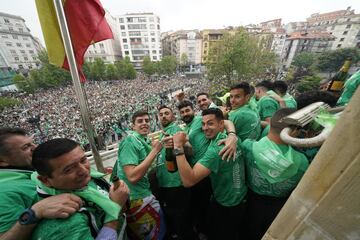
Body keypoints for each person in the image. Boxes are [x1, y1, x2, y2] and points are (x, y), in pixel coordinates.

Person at [30, 138, 129, 240]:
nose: (83, 170)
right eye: (68, 169)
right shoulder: (63, 222)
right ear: (45, 180)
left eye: (83, 160)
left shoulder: (81, 182)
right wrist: (115, 209)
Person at [173, 108, 247, 240]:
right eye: (203, 124)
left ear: (220, 124)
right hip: (239, 195)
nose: (205, 128)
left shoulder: (217, 149)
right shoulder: (233, 139)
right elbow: (228, 123)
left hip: (227, 203)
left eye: (210, 123)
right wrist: (232, 134)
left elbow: (189, 180)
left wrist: (178, 146)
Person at [0, 127, 83, 240]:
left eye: (32, 143)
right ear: (2, 161)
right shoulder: (3, 192)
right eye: (26, 147)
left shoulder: (28, 173)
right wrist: (35, 212)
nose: (35, 147)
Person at [241, 108, 309, 240]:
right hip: (279, 208)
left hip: (251, 203)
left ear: (270, 123)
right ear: (293, 131)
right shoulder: (302, 162)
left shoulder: (248, 147)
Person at [114, 110, 165, 240]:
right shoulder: (130, 141)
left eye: (147, 121)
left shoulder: (143, 140)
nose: (144, 124)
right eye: (140, 121)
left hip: (143, 196)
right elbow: (132, 176)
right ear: (133, 126)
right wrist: (155, 150)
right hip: (138, 200)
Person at [156, 106, 195, 239]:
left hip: (176, 185)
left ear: (173, 116)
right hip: (166, 185)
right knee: (177, 223)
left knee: (182, 224)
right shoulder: (163, 133)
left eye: (167, 113)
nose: (164, 116)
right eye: (161, 114)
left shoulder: (177, 130)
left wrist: (181, 145)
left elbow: (189, 148)